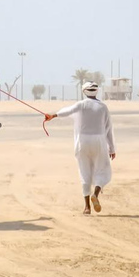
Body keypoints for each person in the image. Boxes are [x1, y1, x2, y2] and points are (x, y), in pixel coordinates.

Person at [45, 82, 115, 215]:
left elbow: (67, 111)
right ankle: (96, 193)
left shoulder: (81, 105)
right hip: (99, 141)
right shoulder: (103, 107)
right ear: (96, 92)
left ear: (84, 92)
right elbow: (109, 129)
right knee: (103, 169)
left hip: (82, 142)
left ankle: (87, 207)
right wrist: (112, 148)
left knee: (84, 172)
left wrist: (52, 116)